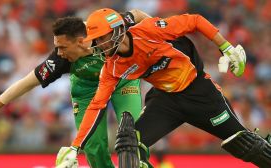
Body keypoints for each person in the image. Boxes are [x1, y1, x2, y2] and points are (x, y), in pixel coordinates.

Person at [61, 8, 271, 168]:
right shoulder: (111, 68)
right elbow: (97, 105)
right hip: (166, 101)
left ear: (116, 32)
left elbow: (195, 21)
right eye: (94, 40)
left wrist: (226, 47)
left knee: (246, 145)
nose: (97, 44)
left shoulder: (150, 30)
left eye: (100, 38)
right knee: (130, 145)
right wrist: (75, 146)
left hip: (200, 93)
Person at [0, 10, 151, 168]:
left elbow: (136, 14)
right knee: (93, 146)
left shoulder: (106, 27)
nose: (59, 53)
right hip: (86, 91)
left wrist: (163, 33)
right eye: (57, 46)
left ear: (80, 42)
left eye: (63, 47)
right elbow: (29, 81)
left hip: (123, 81)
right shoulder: (59, 60)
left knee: (133, 133)